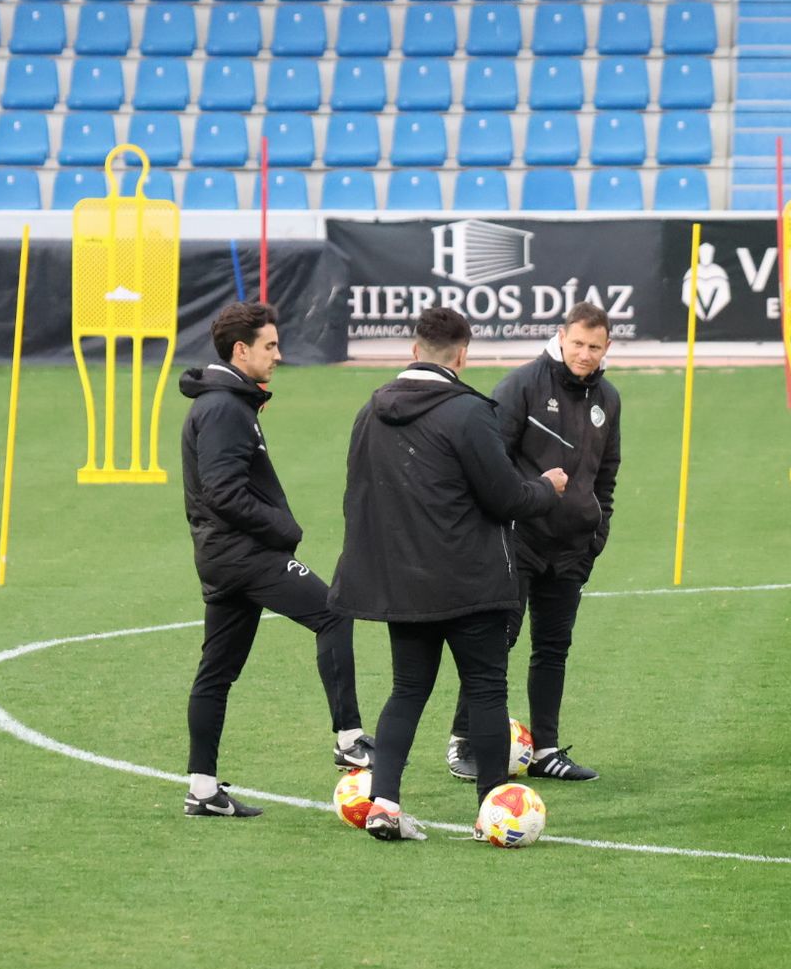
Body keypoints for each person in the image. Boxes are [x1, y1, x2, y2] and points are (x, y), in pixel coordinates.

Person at [329, 306, 568, 842]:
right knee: (485, 689)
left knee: (407, 689)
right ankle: (491, 812)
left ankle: (384, 803)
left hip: (402, 582)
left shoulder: (370, 412)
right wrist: (546, 489)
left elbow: (359, 498)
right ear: (463, 354)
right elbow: (505, 495)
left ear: (414, 351)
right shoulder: (467, 413)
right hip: (469, 580)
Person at [178, 301, 373, 819]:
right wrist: (283, 528)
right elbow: (223, 492)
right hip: (244, 556)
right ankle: (350, 739)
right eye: (270, 346)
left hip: (222, 558)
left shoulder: (227, 403)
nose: (279, 355)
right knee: (334, 611)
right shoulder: (222, 409)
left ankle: (201, 790)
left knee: (216, 673)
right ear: (241, 350)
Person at [444, 302, 620, 784]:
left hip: (571, 550)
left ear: (608, 348)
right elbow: (487, 460)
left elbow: (606, 474)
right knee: (496, 643)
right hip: (517, 541)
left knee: (553, 648)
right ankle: (464, 742)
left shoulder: (609, 398)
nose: (585, 354)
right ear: (560, 337)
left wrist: (595, 534)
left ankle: (544, 749)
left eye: (595, 347)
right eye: (578, 343)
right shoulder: (522, 384)